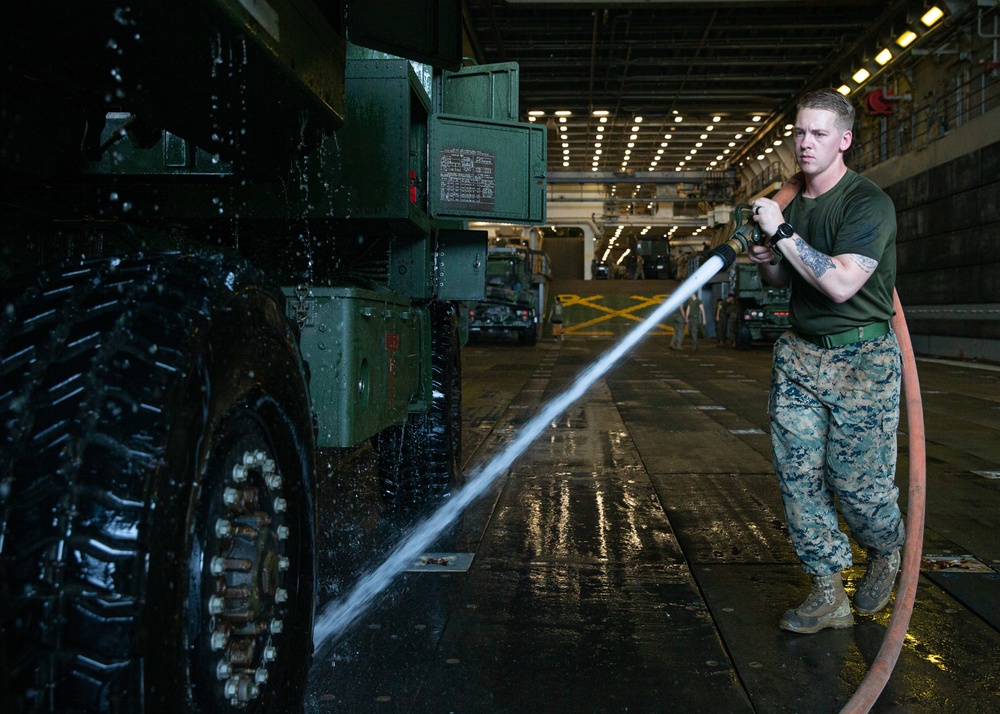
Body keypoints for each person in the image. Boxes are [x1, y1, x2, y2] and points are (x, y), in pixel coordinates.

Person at [747, 88, 904, 634]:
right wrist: (768, 257)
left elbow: (838, 284)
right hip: (799, 353)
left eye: (818, 133)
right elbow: (779, 281)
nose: (805, 143)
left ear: (845, 140)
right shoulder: (793, 201)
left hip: (862, 358)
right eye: (798, 132)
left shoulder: (867, 203)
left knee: (857, 483)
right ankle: (827, 589)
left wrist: (782, 233)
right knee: (799, 478)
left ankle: (885, 548)